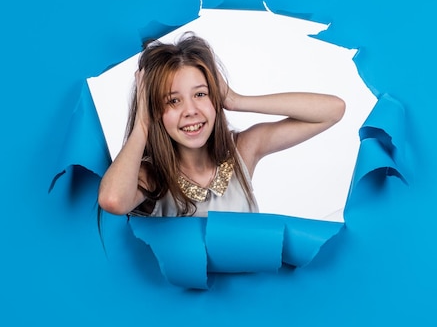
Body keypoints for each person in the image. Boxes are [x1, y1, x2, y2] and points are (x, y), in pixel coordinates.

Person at [97, 32, 345, 217]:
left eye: (201, 94)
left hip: (253, 286)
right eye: (173, 100)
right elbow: (112, 200)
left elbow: (332, 110)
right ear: (154, 110)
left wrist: (236, 100)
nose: (190, 111)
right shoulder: (151, 175)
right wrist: (143, 123)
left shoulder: (242, 150)